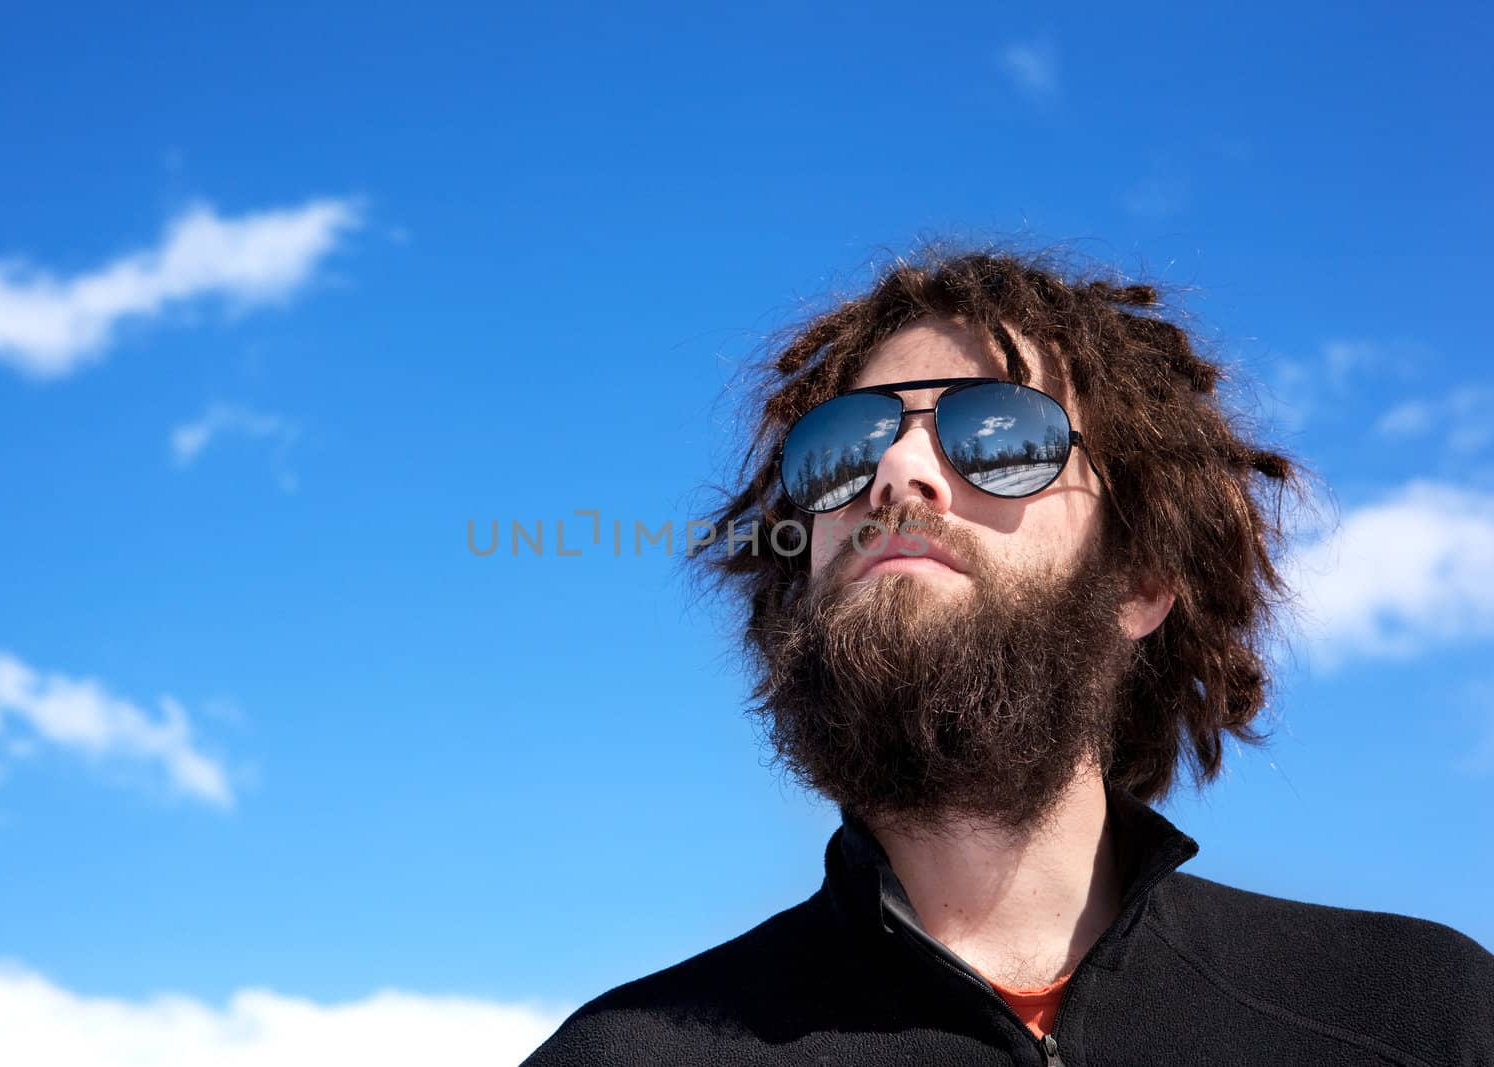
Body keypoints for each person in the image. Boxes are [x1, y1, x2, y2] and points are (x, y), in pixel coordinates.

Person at [521, 247, 1494, 1065]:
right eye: (844, 444)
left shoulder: (1420, 1015)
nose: (897, 470)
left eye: (997, 434)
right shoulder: (623, 1054)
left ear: (1139, 581)